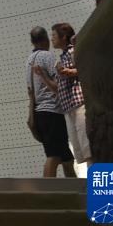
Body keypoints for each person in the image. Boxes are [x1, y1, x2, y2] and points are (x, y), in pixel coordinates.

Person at [37, 24, 92, 168]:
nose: (52, 39)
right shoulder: (61, 58)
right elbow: (58, 89)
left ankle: (95, 178)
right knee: (81, 150)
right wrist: (42, 75)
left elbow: (84, 68)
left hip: (79, 104)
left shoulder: (73, 51)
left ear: (63, 37)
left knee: (88, 148)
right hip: (68, 108)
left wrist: (67, 71)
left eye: (54, 36)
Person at [27, 27, 76, 178]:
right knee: (53, 156)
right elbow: (58, 85)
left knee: (67, 159)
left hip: (40, 113)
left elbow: (30, 90)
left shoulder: (29, 60)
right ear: (45, 40)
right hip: (51, 111)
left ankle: (76, 188)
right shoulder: (47, 56)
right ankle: (47, 190)